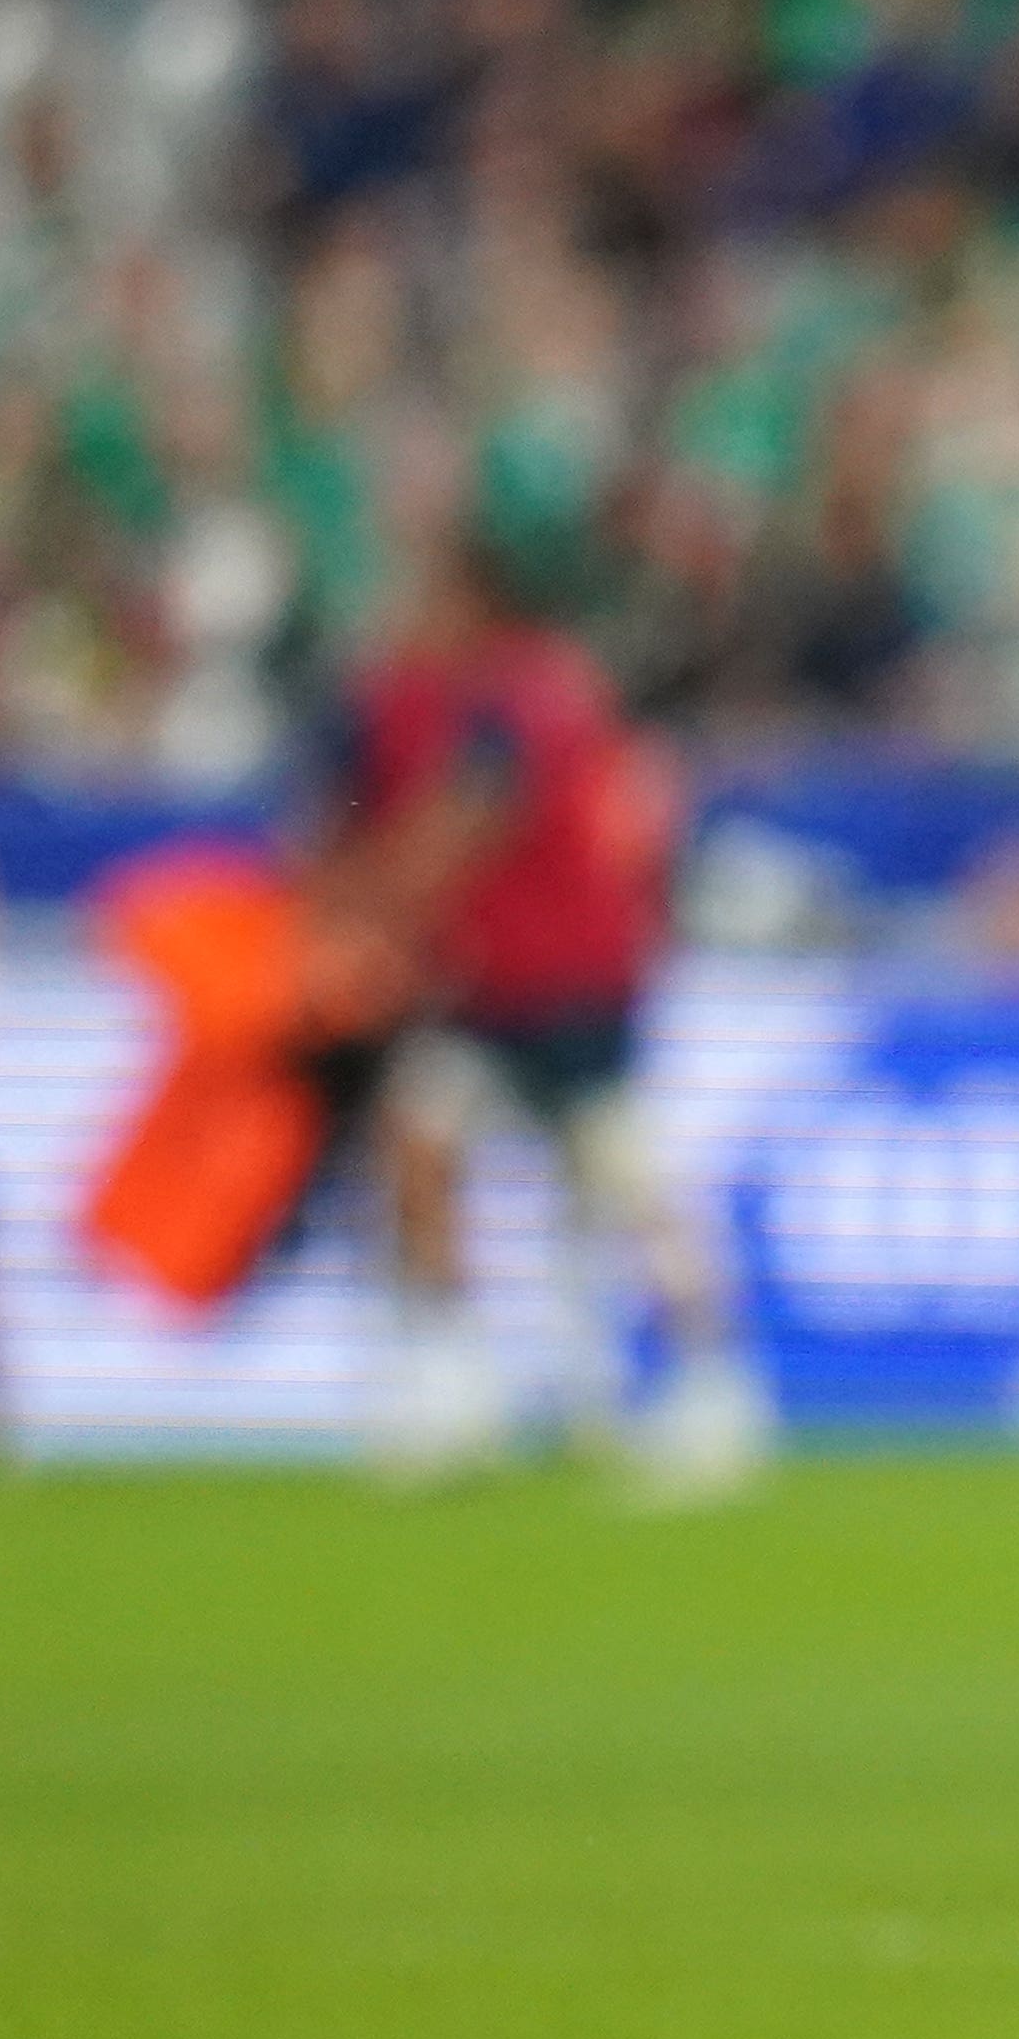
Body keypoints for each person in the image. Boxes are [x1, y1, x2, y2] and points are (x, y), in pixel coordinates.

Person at [307, 529, 768, 1492]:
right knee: (421, 1137)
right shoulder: (517, 692)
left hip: (566, 980)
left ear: (473, 601)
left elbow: (464, 824)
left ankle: (713, 1377)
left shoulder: (520, 698)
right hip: (500, 982)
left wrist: (349, 901)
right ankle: (457, 1370)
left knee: (619, 1175)